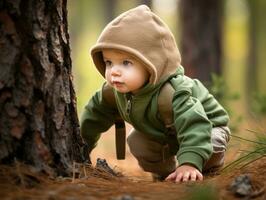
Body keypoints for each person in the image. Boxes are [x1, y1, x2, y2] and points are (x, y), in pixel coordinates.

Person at [80, 5, 230, 183]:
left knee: (209, 147)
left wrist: (189, 163)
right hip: (166, 133)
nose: (114, 71)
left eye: (126, 63)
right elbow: (93, 117)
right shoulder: (112, 92)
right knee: (138, 142)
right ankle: (166, 176)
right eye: (109, 62)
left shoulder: (173, 92)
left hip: (208, 127)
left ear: (153, 64)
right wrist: (82, 145)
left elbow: (195, 124)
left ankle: (202, 171)